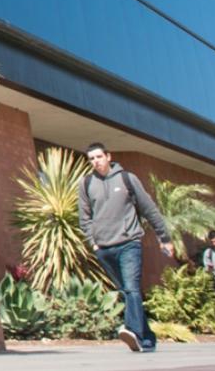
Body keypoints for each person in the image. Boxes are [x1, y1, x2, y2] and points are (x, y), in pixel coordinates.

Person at [78, 142, 173, 353]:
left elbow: (149, 208)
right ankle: (147, 338)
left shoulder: (126, 178)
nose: (96, 161)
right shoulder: (86, 184)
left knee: (131, 288)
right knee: (127, 292)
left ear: (108, 156)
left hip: (129, 243)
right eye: (92, 159)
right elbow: (84, 218)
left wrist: (164, 237)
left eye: (99, 157)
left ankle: (132, 331)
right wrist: (92, 242)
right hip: (103, 247)